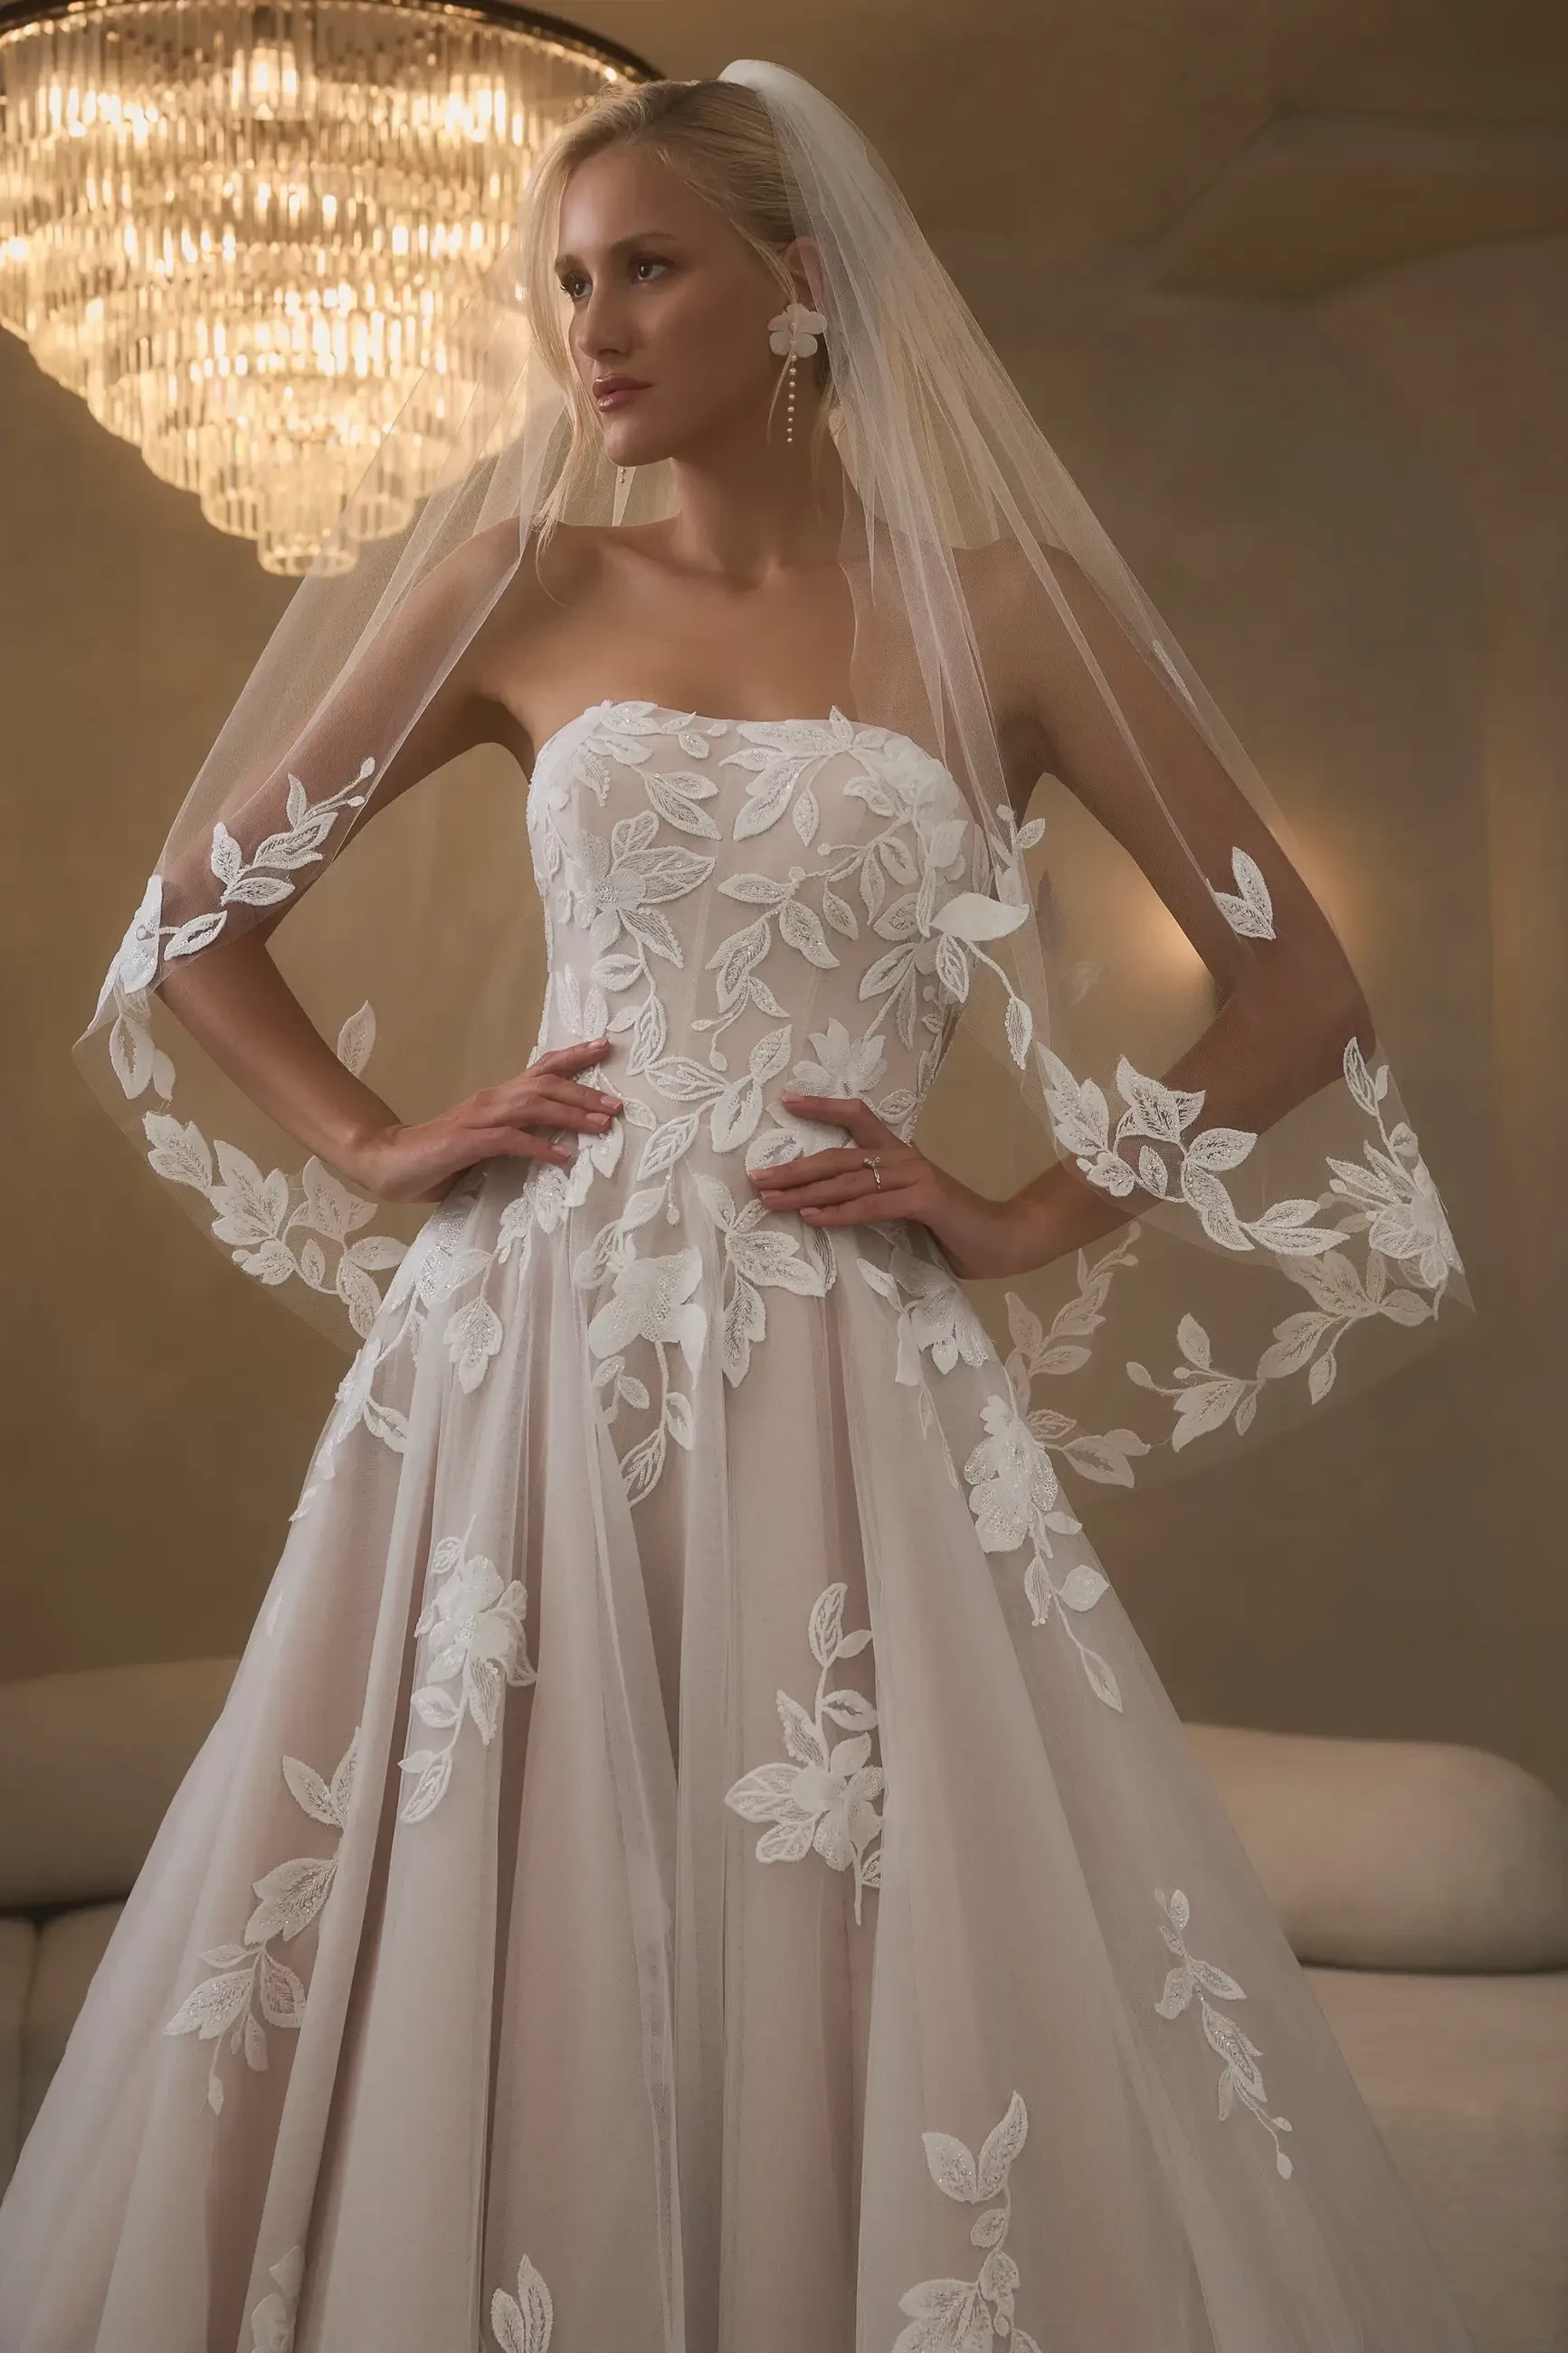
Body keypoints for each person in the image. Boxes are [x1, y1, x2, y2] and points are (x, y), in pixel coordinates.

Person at [0, 61, 1476, 2353]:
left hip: (846, 1366)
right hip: (521, 1358)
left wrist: (1020, 1212)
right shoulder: (518, 578)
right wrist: (382, 1142)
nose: (588, 328)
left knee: (861, 1924)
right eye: (566, 280)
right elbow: (191, 924)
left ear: (794, 294)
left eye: (646, 268)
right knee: (490, 1915)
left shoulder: (1004, 606)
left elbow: (1297, 989)